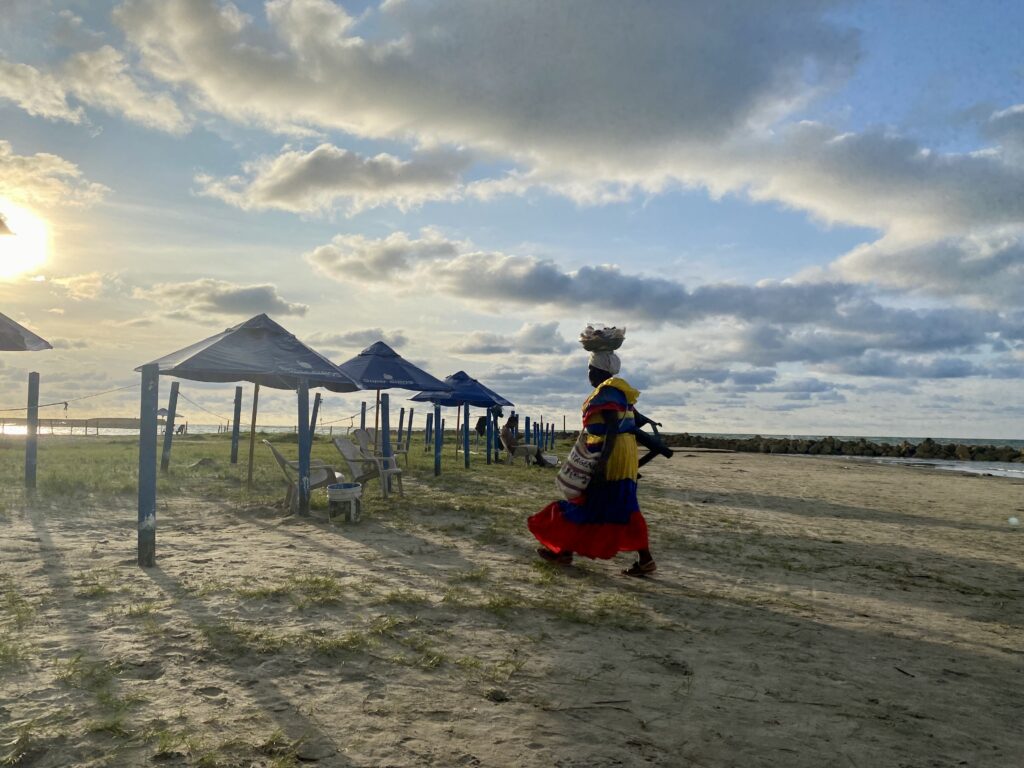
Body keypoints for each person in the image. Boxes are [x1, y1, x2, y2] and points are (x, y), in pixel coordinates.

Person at [527, 349, 656, 576]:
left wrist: (601, 463)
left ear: (598, 370)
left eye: (589, 369)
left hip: (612, 454)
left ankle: (565, 551)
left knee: (593, 502)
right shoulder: (620, 392)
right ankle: (566, 551)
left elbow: (613, 429)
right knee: (613, 504)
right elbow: (633, 419)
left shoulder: (607, 392)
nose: (588, 373)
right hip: (622, 453)